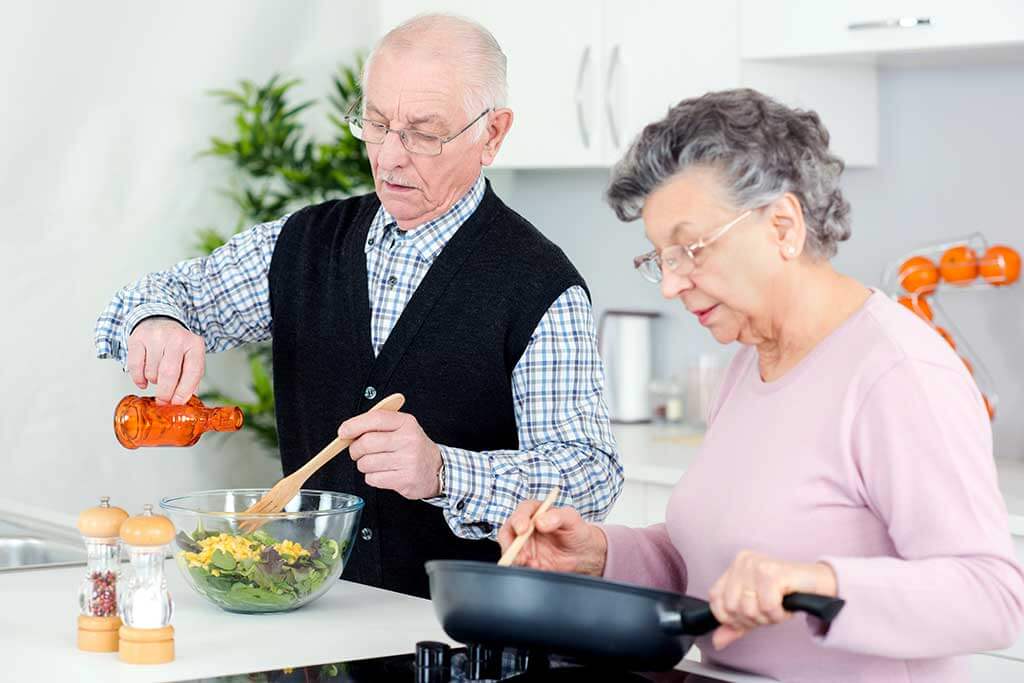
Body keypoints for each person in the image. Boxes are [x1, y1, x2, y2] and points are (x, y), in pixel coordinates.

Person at [499, 89, 1024, 681]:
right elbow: (713, 558)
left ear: (782, 225)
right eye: (660, 260)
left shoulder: (897, 372)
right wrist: (600, 553)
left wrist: (816, 581)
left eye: (689, 250)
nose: (671, 285)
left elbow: (992, 595)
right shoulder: (749, 362)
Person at [95, 13, 622, 599]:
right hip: (318, 621)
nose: (390, 158)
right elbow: (149, 300)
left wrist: (445, 472)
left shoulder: (539, 285)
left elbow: (590, 476)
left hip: (460, 636)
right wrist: (158, 321)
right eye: (375, 123)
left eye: (423, 133)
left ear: (492, 134)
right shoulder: (301, 244)